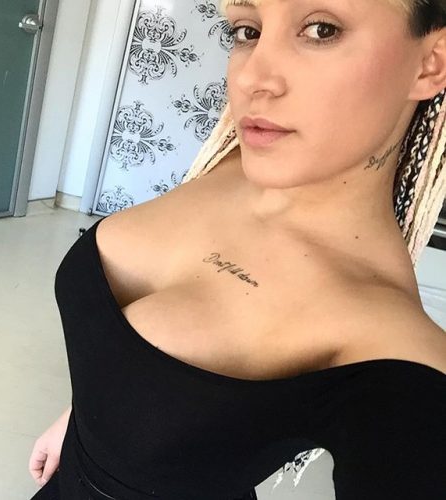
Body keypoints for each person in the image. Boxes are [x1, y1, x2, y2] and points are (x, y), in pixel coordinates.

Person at [29, 0, 446, 498]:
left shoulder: (393, 349)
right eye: (248, 31)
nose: (251, 79)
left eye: (320, 29)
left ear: (430, 64)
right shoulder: (232, 162)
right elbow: (126, 368)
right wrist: (82, 420)